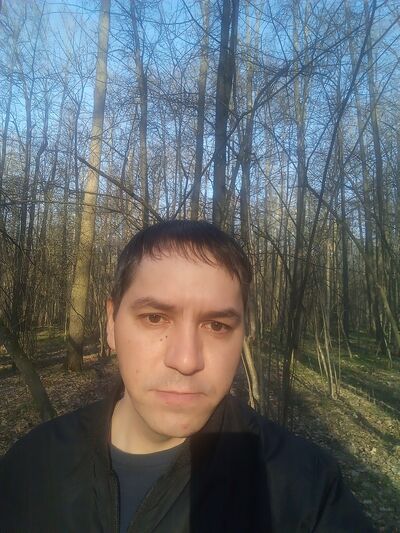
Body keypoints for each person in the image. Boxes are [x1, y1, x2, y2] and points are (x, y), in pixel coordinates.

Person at [0, 220, 374, 532]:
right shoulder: (32, 466)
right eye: (154, 318)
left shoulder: (302, 488)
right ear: (111, 324)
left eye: (217, 325)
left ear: (243, 334)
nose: (186, 360)